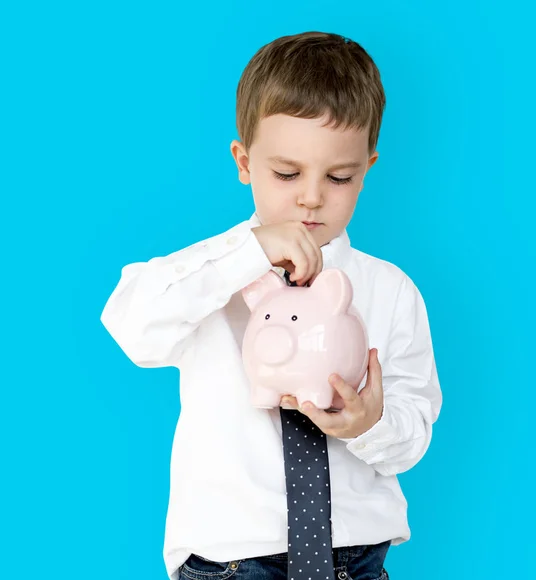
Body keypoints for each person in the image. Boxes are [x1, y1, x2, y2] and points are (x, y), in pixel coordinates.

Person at [100, 31, 443, 580]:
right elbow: (130, 325)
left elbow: (412, 433)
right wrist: (246, 254)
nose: (311, 196)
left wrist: (368, 422)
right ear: (244, 161)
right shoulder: (210, 277)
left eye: (339, 177)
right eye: (287, 173)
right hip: (230, 559)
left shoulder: (389, 290)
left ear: (368, 168)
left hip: (355, 559)